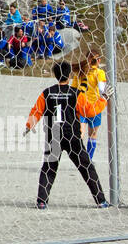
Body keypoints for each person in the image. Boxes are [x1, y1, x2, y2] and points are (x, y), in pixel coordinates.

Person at [24, 62, 107, 209]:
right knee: (86, 167)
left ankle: (42, 201)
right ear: (69, 76)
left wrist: (29, 125)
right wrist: (104, 99)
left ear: (55, 76)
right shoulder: (76, 93)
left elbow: (37, 110)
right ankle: (101, 201)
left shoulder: (47, 93)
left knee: (49, 168)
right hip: (72, 135)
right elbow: (89, 111)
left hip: (53, 135)